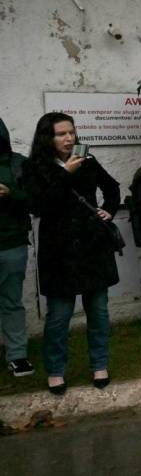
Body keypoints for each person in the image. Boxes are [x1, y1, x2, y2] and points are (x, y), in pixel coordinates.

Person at [24, 113, 120, 394]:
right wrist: (65, 174)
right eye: (61, 134)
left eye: (71, 132)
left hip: (92, 246)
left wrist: (109, 210)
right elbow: (40, 206)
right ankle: (56, 370)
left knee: (99, 312)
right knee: (59, 316)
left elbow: (112, 187)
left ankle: (99, 364)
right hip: (59, 251)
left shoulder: (87, 159)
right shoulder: (35, 167)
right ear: (47, 138)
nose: (69, 138)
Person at [0, 118, 33, 377]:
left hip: (12, 243)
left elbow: (34, 201)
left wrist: (9, 193)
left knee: (11, 301)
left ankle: (17, 355)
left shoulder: (18, 163)